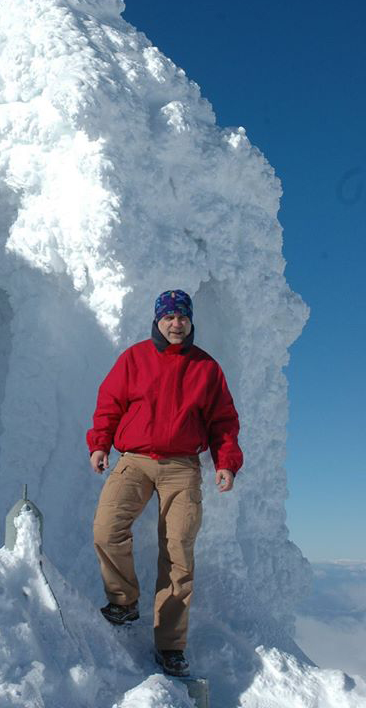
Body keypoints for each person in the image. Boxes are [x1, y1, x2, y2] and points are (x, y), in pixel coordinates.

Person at [86, 289, 243, 677]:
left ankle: (170, 645)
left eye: (183, 318)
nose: (177, 324)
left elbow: (223, 421)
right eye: (169, 317)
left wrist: (226, 462)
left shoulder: (207, 367)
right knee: (107, 529)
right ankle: (123, 601)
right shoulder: (134, 358)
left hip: (182, 466)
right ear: (158, 320)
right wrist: (99, 444)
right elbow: (109, 404)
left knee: (177, 553)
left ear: (191, 322)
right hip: (134, 459)